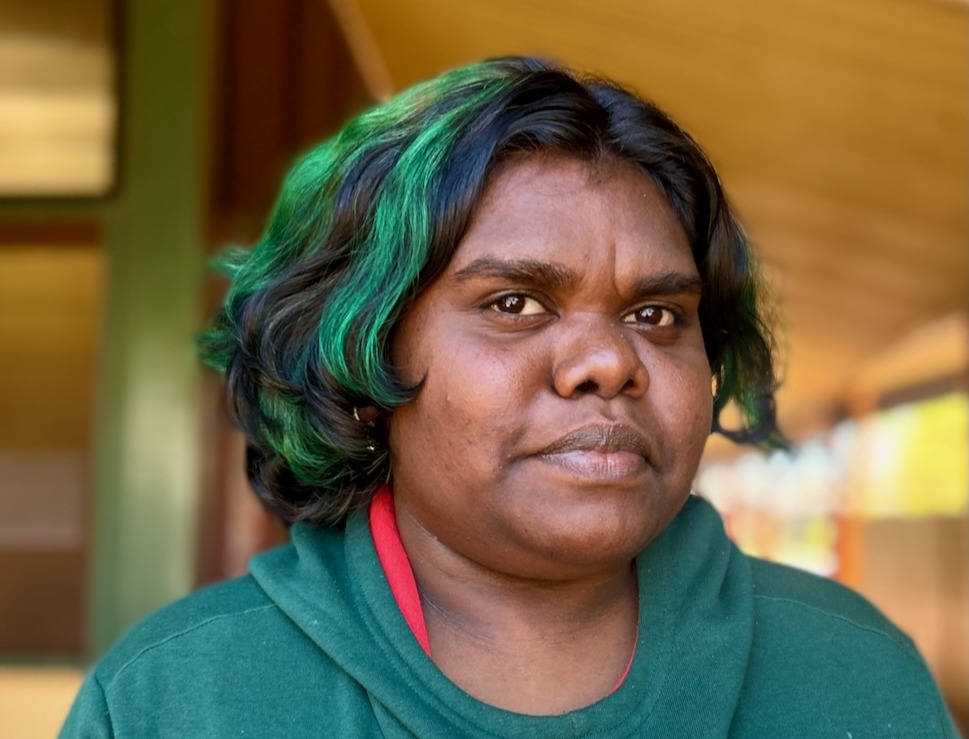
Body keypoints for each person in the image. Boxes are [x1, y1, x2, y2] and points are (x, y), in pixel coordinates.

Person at [61, 56, 959, 737]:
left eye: (655, 314)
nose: (607, 361)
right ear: (361, 356)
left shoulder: (850, 678)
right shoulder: (180, 698)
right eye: (514, 304)